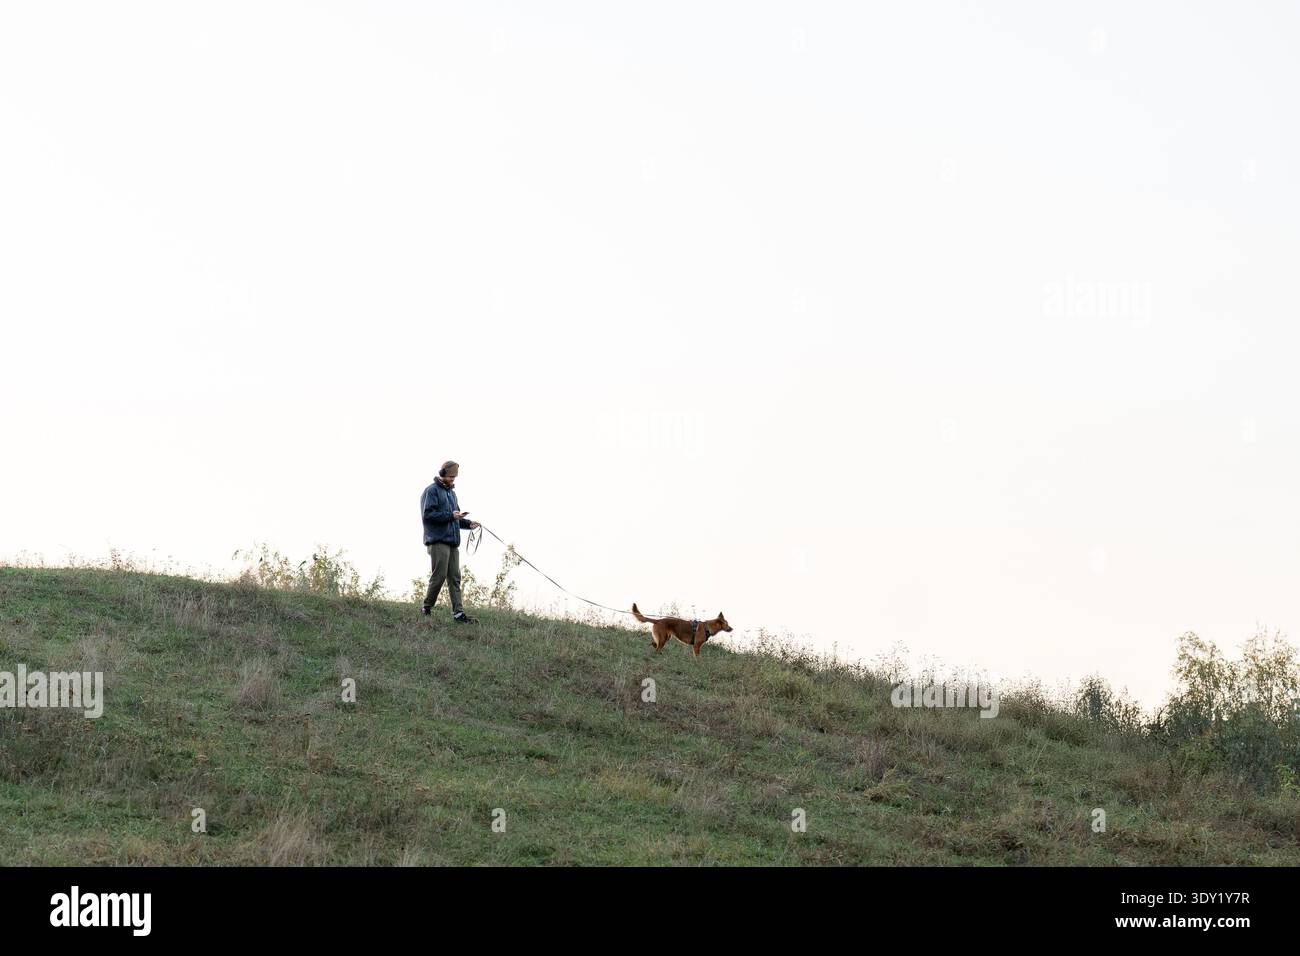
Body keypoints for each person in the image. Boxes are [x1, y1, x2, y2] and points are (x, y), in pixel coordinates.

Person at [420, 460, 480, 623]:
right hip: (437, 540)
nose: (453, 479)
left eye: (455, 477)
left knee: (455, 577)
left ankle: (458, 614)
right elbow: (428, 515)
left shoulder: (452, 494)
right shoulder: (431, 491)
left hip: (453, 542)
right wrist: (451, 516)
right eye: (451, 476)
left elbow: (455, 518)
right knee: (438, 576)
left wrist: (468, 524)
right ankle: (426, 608)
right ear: (443, 474)